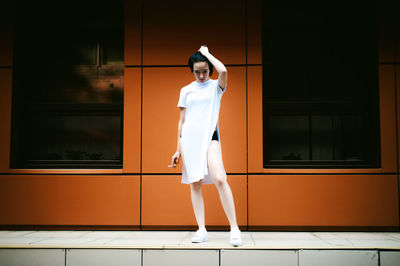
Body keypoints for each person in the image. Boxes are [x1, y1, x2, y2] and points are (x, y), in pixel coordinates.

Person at [169, 45, 242, 246]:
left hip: (210, 137)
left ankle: (234, 228)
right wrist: (178, 149)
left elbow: (224, 70)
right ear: (191, 71)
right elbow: (182, 122)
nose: (201, 75)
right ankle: (201, 229)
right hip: (190, 141)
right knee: (196, 183)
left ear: (210, 69)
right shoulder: (186, 90)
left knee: (220, 178)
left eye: (205, 71)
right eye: (197, 72)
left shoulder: (216, 87)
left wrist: (207, 54)